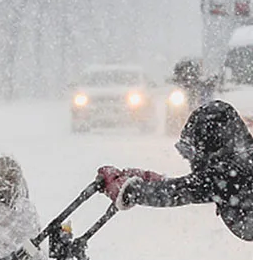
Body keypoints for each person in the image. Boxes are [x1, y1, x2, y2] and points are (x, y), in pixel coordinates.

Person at [97, 99, 253, 241]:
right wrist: (154, 180)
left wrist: (131, 190)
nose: (191, 161)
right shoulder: (240, 163)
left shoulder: (232, 172)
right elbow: (193, 185)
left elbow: (181, 191)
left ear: (212, 146)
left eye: (192, 154)